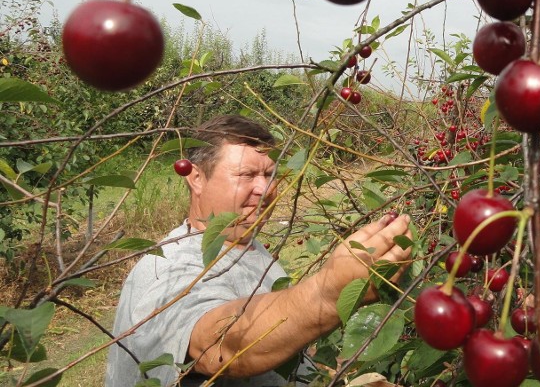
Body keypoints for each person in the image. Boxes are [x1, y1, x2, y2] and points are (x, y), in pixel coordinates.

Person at [105, 115, 412, 386]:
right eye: (247, 175)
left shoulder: (246, 245)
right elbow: (220, 346)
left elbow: (281, 326)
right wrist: (328, 292)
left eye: (269, 175)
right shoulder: (166, 266)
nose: (264, 189)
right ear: (196, 178)